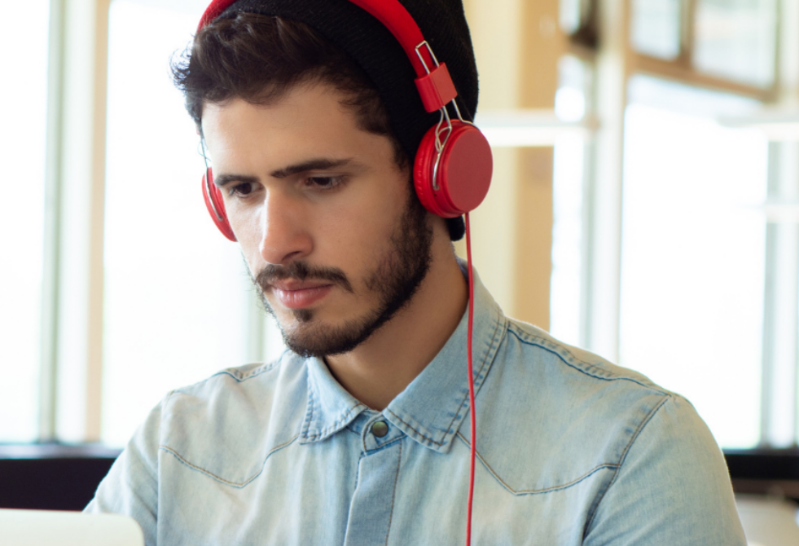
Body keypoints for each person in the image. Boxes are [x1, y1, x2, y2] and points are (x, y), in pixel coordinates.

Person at [86, 0, 747, 544]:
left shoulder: (629, 457)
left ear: (440, 174)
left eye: (320, 180)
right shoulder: (178, 451)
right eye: (242, 190)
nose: (274, 242)